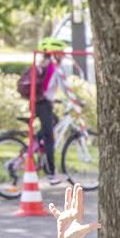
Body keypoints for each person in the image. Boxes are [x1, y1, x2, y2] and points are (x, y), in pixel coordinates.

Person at [25, 38, 70, 183]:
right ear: (55, 53)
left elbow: (45, 87)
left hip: (39, 103)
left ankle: (38, 143)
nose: (63, 55)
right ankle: (51, 173)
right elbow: (63, 87)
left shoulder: (43, 65)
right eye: (61, 52)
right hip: (43, 104)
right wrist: (76, 100)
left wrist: (53, 99)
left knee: (54, 122)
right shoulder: (53, 67)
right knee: (50, 138)